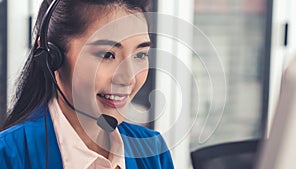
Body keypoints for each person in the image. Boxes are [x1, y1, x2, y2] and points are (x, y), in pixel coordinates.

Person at [0, 0, 174, 168]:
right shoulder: (8, 156)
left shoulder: (153, 152)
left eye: (140, 55)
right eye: (107, 55)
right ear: (51, 57)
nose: (128, 77)